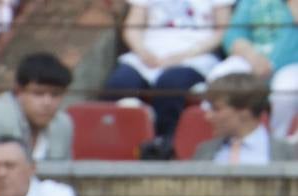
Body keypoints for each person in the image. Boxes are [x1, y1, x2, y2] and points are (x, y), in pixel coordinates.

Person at [101, 0, 231, 144]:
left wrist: (185, 55)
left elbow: (223, 31)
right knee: (120, 84)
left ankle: (165, 142)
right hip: (148, 54)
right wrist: (142, 51)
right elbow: (132, 26)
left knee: (170, 84)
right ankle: (121, 143)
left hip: (195, 56)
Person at [208, 0, 298, 139]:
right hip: (252, 56)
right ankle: (225, 141)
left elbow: (292, 39)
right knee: (219, 76)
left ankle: (277, 141)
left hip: (291, 63)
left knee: (285, 91)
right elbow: (233, 33)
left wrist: (272, 63)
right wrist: (251, 55)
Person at [193, 72, 298, 162]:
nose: (208, 116)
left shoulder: (287, 152)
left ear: (244, 110)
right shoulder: (204, 151)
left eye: (217, 109)